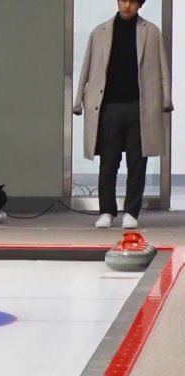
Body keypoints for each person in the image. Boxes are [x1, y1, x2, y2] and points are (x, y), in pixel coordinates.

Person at [73, 0, 173, 229]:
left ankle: (131, 212)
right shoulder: (100, 32)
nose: (126, 5)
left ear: (140, 4)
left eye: (132, 1)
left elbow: (162, 68)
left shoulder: (152, 32)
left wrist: (166, 98)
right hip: (108, 107)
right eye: (122, 0)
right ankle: (107, 211)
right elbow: (87, 67)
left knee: (137, 162)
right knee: (109, 162)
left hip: (140, 107)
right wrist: (78, 99)